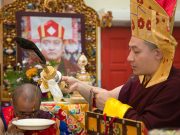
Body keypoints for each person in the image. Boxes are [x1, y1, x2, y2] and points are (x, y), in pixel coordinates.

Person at [61, 0, 180, 130]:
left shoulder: (174, 86)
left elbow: (145, 129)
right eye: (130, 50)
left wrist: (112, 105)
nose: (129, 58)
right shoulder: (140, 80)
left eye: (136, 51)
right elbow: (106, 96)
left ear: (157, 53)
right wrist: (77, 85)